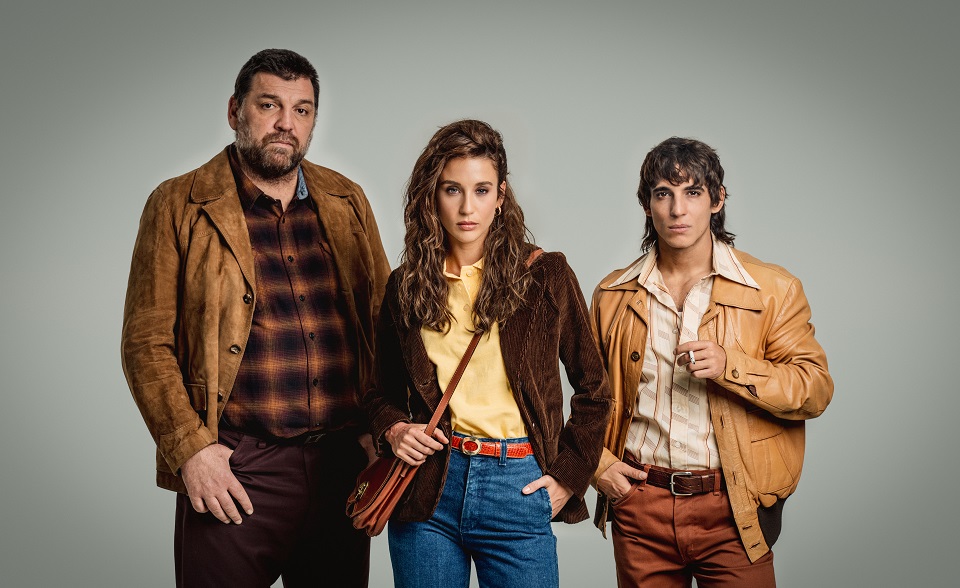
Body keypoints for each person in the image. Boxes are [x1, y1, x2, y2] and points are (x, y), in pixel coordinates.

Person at [120, 48, 390, 588]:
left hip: (342, 465)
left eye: (302, 110)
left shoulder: (347, 200)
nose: (286, 123)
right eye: (269, 105)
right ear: (234, 111)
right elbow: (145, 344)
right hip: (237, 467)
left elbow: (385, 325)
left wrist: (377, 431)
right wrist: (192, 450)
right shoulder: (178, 205)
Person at [363, 119, 611, 588]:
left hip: (515, 483)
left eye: (481, 190)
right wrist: (394, 429)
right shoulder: (406, 286)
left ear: (501, 196)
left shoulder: (545, 275)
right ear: (432, 195)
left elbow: (594, 388)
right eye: (452, 190)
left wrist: (569, 476)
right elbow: (379, 393)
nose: (467, 207)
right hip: (428, 487)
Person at [590, 137, 833, 587]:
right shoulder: (612, 295)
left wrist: (730, 367)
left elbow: (814, 389)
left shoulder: (773, 290)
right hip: (640, 507)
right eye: (663, 194)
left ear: (717, 200)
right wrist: (598, 465)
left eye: (693, 192)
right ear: (646, 205)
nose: (677, 209)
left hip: (733, 509)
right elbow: (588, 398)